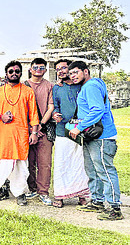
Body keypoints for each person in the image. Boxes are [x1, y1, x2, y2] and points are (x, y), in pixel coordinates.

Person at [68, 61, 123, 220]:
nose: (73, 76)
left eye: (76, 72)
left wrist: (79, 127)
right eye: (71, 74)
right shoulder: (88, 87)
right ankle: (98, 200)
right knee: (92, 170)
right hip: (92, 135)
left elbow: (97, 109)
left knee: (105, 171)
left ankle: (114, 208)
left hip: (102, 137)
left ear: (85, 71)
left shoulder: (91, 86)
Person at [0, 60, 39, 206]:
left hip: (20, 134)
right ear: (6, 74)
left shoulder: (28, 91)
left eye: (17, 71)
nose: (14, 73)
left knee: (20, 164)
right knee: (2, 163)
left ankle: (20, 193)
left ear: (21, 74)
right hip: (3, 134)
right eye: (11, 71)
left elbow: (33, 114)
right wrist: (0, 116)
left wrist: (34, 133)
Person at [51, 59, 89, 208]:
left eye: (64, 68)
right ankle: (60, 195)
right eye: (58, 69)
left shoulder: (83, 85)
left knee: (80, 163)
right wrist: (55, 114)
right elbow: (55, 105)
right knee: (62, 163)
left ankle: (82, 195)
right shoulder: (57, 88)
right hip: (62, 130)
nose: (61, 71)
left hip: (81, 131)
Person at [23, 58, 55, 205]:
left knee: (44, 163)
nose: (38, 70)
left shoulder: (49, 86)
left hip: (44, 128)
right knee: (28, 162)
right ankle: (32, 188)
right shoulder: (23, 86)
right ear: (30, 69)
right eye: (35, 67)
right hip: (26, 130)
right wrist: (31, 128)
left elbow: (51, 107)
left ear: (45, 70)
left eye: (42, 68)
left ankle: (43, 191)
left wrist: (40, 125)